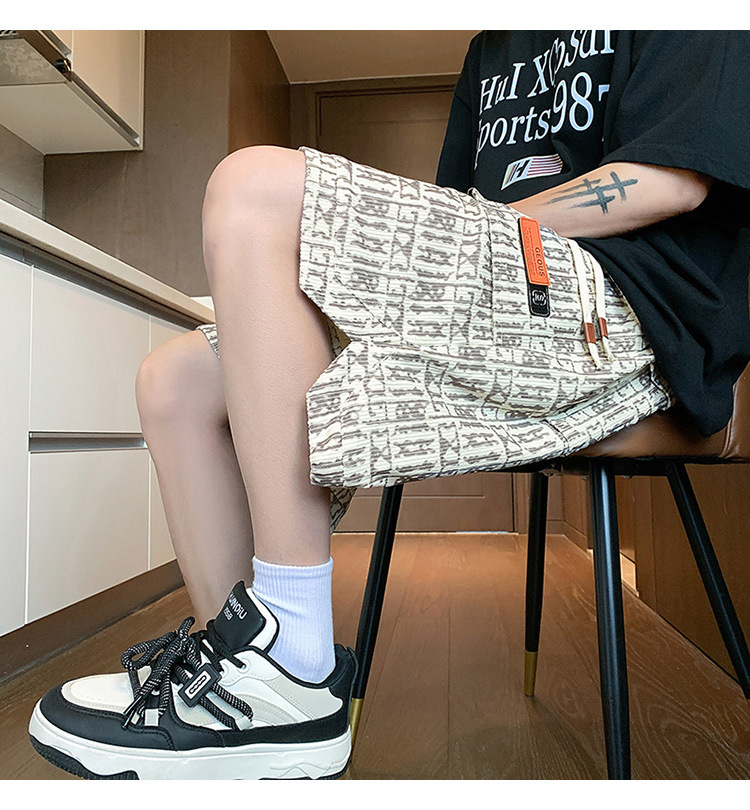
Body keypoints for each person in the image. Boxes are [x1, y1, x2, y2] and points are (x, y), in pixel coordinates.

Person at [28, 30, 750, 780]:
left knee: (252, 186)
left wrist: (484, 228)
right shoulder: (491, 49)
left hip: (630, 312)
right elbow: (453, 210)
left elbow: (671, 183)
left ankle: (293, 656)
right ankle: (244, 691)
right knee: (175, 381)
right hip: (503, 291)